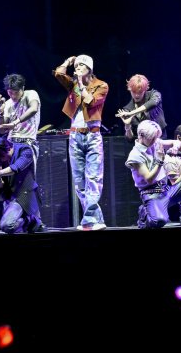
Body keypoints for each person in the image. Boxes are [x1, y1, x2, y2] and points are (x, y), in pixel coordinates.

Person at [53, 54, 109, 231]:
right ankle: (95, 220)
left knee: (93, 178)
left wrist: (81, 84)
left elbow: (90, 101)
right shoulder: (73, 85)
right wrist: (67, 62)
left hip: (92, 136)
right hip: (75, 136)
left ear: (89, 68)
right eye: (75, 66)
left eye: (80, 66)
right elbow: (59, 74)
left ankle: (89, 221)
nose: (76, 68)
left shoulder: (101, 85)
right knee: (79, 182)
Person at [0, 73, 41, 171]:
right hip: (10, 145)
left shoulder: (30, 94)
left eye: (16, 92)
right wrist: (0, 112)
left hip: (27, 143)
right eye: (10, 92)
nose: (13, 96)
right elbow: (1, 130)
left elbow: (34, 109)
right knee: (8, 175)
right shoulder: (7, 103)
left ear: (22, 88)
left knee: (25, 176)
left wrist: (15, 123)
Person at [116, 74, 168, 141]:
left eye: (140, 92)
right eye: (134, 92)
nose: (137, 95)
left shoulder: (154, 94)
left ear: (145, 89)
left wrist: (131, 113)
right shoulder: (128, 108)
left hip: (160, 139)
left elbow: (153, 103)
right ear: (130, 90)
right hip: (143, 144)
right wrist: (127, 126)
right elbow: (130, 139)